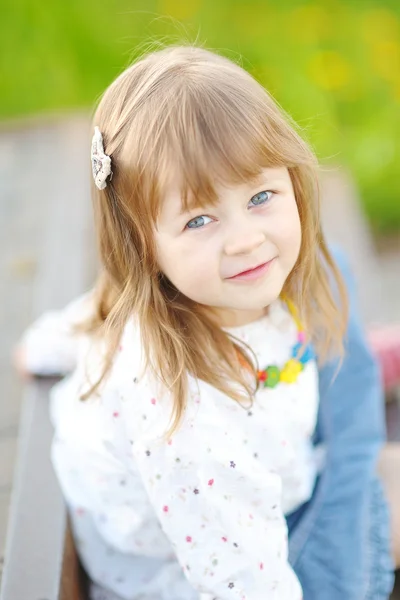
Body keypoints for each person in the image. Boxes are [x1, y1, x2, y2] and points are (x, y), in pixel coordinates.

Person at [14, 45, 395, 599]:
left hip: (258, 475)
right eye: (199, 219)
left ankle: (326, 356)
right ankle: (344, 360)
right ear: (143, 246)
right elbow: (242, 581)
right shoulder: (189, 424)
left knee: (328, 287)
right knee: (384, 488)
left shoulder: (168, 294)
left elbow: (78, 324)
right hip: (212, 555)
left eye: (261, 195)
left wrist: (41, 348)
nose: (245, 239)